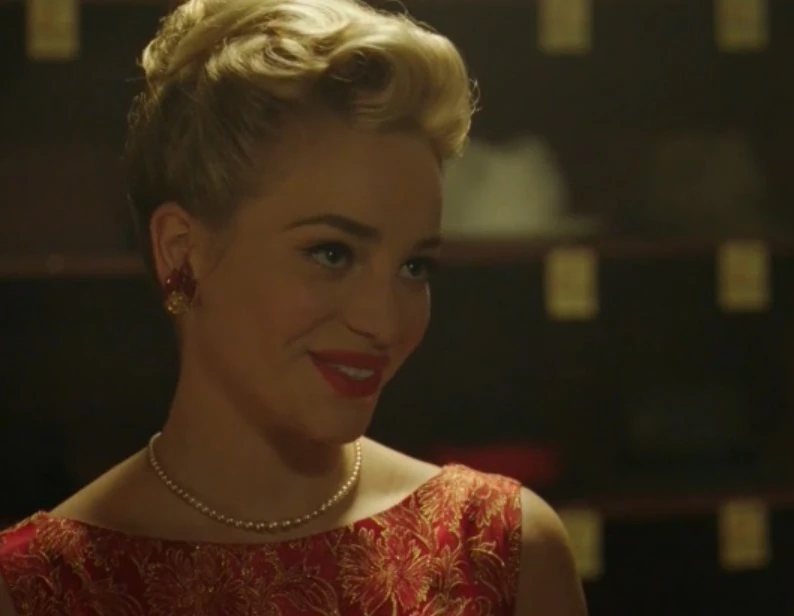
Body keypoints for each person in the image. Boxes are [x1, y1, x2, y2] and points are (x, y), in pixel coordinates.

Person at [0, 0, 587, 614]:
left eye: (414, 267)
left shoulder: (500, 553)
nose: (384, 322)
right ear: (182, 251)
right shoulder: (40, 590)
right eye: (332, 253)